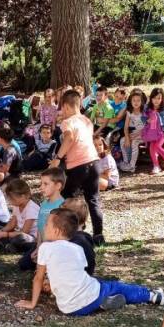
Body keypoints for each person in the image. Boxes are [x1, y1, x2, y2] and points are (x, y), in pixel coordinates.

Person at [15, 209, 164, 316]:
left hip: (68, 309)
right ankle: (152, 296)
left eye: (47, 224)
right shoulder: (77, 249)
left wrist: (32, 303)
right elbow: (81, 269)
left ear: (57, 231)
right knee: (117, 285)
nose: (44, 227)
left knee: (99, 284)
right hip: (89, 295)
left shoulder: (45, 248)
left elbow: (38, 278)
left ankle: (103, 303)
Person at [50, 90, 104, 245]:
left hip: (78, 165)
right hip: (94, 162)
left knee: (66, 198)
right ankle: (98, 235)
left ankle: (70, 231)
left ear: (66, 106)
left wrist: (57, 158)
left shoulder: (67, 122)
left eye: (62, 108)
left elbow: (69, 138)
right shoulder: (87, 120)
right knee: (93, 199)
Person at [18, 167, 66, 272]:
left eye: (45, 184)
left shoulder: (62, 206)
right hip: (42, 244)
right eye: (41, 184)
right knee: (23, 264)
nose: (41, 187)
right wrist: (38, 248)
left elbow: (60, 238)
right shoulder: (44, 204)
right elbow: (40, 228)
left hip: (55, 249)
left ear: (58, 186)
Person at [0, 178, 39, 252]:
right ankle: (9, 246)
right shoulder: (17, 205)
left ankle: (8, 245)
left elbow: (24, 232)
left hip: (30, 237)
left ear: (22, 196)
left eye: (12, 199)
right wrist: (1, 231)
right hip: (17, 233)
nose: (10, 201)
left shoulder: (32, 208)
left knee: (21, 238)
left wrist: (4, 234)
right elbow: (12, 224)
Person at [119, 89, 148, 173]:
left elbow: (147, 126)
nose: (136, 102)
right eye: (134, 100)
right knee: (122, 141)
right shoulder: (129, 112)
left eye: (138, 100)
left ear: (142, 102)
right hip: (134, 133)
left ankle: (132, 166)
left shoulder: (144, 112)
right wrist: (127, 138)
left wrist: (135, 135)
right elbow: (125, 127)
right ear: (130, 101)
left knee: (134, 142)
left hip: (144, 134)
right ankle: (126, 162)